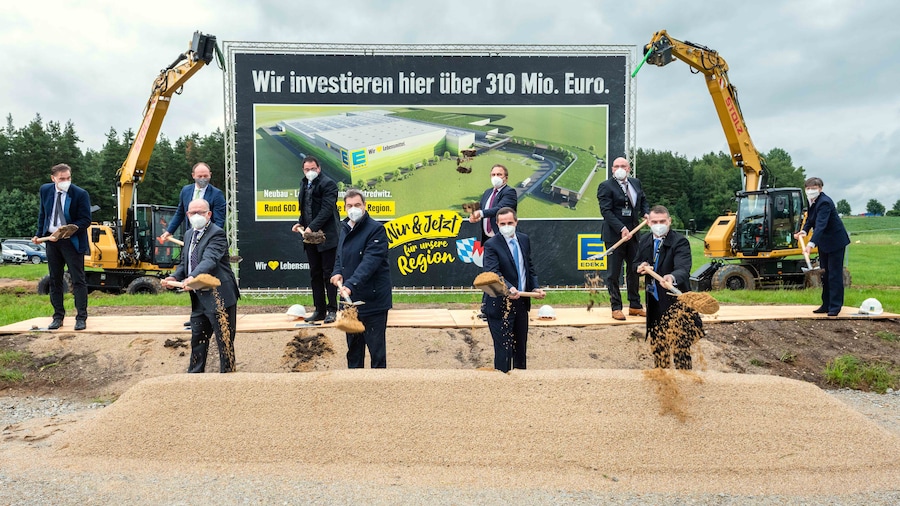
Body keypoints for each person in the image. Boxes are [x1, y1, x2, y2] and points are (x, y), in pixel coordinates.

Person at [162, 199, 240, 373]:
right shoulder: (189, 234)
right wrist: (174, 277)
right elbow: (185, 262)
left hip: (220, 295)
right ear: (187, 215)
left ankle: (228, 379)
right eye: (192, 213)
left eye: (200, 212)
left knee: (224, 342)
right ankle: (195, 377)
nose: (196, 216)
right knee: (197, 339)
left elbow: (209, 260)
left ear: (209, 214)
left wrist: (192, 277)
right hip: (199, 298)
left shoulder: (217, 234)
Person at [330, 189, 392, 368]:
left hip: (373, 301)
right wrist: (337, 272)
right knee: (354, 352)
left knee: (376, 351)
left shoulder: (376, 230)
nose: (353, 209)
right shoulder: (345, 228)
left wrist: (350, 285)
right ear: (344, 207)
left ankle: (379, 388)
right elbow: (340, 257)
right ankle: (355, 387)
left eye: (357, 205)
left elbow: (370, 263)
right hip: (351, 305)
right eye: (349, 206)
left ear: (364, 206)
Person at [635, 205, 702, 369]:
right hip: (655, 302)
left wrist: (671, 277)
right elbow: (635, 262)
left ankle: (685, 380)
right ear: (649, 223)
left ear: (669, 221)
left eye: (662, 221)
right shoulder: (644, 240)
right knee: (658, 347)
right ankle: (662, 380)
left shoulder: (680, 242)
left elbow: (683, 268)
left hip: (676, 303)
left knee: (681, 347)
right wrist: (640, 266)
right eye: (655, 221)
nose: (659, 224)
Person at [482, 207, 546, 372]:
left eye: (510, 222)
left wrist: (536, 288)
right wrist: (509, 288)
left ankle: (520, 387)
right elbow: (492, 273)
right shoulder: (491, 245)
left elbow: (528, 268)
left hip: (521, 304)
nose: (507, 226)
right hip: (500, 306)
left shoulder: (524, 240)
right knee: (504, 350)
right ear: (497, 224)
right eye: (503, 223)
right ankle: (502, 388)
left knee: (520, 350)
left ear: (516, 222)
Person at [32, 163, 93, 331]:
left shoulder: (80, 194)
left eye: (68, 178)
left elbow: (85, 220)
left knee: (78, 280)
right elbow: (43, 214)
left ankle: (81, 317)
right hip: (51, 241)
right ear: (53, 179)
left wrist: (69, 229)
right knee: (55, 280)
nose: (66, 181)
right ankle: (57, 317)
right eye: (62, 179)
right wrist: (39, 234)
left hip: (72, 242)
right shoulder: (45, 190)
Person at [597, 156, 649, 321]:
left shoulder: (636, 183)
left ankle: (635, 305)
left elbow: (643, 201)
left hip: (634, 235)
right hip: (615, 236)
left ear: (628, 168)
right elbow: (606, 211)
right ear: (612, 169)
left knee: (634, 270)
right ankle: (616, 307)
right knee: (614, 273)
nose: (619, 168)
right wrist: (621, 228)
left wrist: (646, 213)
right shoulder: (605, 187)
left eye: (623, 166)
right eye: (616, 166)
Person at [291, 155, 340, 324]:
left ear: (319, 168)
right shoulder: (304, 183)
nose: (310, 172)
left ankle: (332, 309)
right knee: (315, 274)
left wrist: (311, 227)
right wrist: (300, 222)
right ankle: (319, 310)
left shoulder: (329, 184)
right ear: (303, 170)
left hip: (326, 237)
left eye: (313, 169)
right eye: (307, 169)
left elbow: (326, 210)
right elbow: (306, 208)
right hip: (310, 238)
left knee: (329, 274)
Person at [795, 177, 850, 317]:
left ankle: (835, 306)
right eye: (808, 188)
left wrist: (811, 244)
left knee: (834, 274)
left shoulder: (824, 202)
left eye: (814, 188)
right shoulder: (812, 202)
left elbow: (821, 225)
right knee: (824, 274)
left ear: (820, 189)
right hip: (824, 243)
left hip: (835, 242)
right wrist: (804, 231)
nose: (810, 191)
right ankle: (826, 305)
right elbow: (810, 219)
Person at [159, 162, 227, 243]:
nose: (203, 179)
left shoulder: (217, 194)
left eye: (205, 176)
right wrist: (169, 231)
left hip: (208, 238)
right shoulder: (185, 191)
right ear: (193, 175)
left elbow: (219, 220)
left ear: (210, 175)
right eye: (200, 176)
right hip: (190, 236)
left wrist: (212, 237)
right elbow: (180, 213)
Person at [468, 164, 518, 243]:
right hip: (486, 238)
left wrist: (480, 213)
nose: (496, 177)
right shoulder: (488, 192)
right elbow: (480, 208)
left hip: (503, 238)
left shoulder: (510, 192)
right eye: (493, 175)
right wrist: (473, 216)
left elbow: (500, 209)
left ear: (506, 178)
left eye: (499, 174)